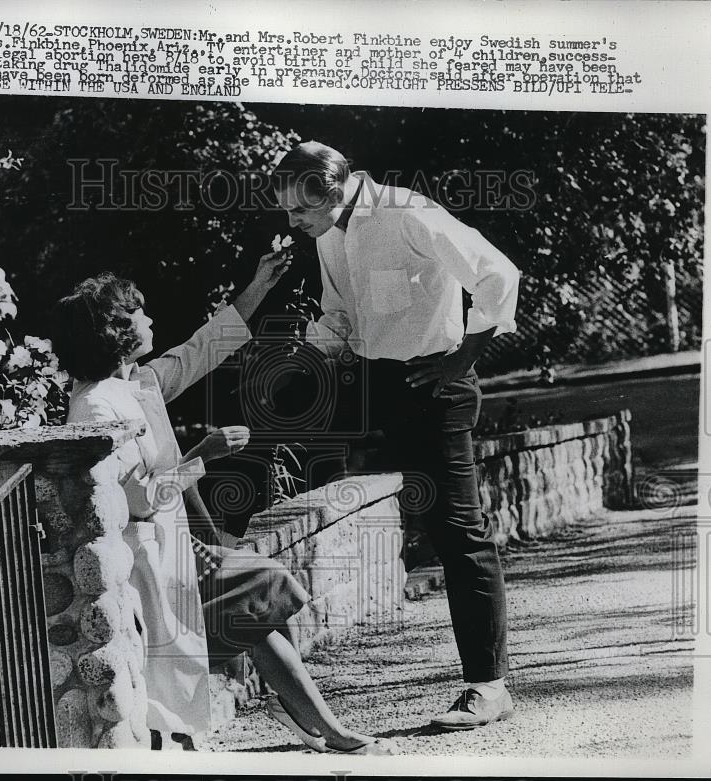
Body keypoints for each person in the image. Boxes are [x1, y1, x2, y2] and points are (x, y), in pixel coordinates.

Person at [49, 255, 396, 755]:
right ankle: (319, 723)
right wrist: (200, 457)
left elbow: (202, 349)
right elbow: (136, 503)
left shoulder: (136, 384)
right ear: (115, 330)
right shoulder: (95, 406)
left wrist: (258, 286)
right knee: (259, 597)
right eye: (139, 314)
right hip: (146, 568)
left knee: (259, 602)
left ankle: (311, 717)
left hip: (177, 550)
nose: (150, 321)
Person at [270, 141, 520, 731]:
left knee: (460, 532)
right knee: (436, 528)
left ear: (330, 189)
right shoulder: (332, 233)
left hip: (436, 388)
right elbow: (342, 315)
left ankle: (488, 687)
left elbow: (497, 274)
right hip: (382, 386)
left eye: (297, 211)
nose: (291, 223)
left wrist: (466, 356)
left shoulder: (408, 213)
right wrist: (300, 353)